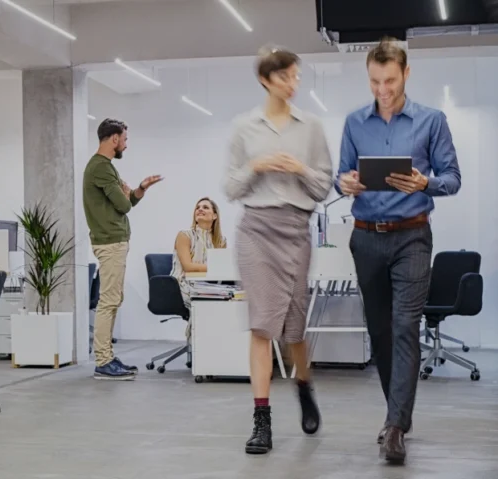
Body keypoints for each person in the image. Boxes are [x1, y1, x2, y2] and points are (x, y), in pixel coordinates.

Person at [336, 38, 460, 464]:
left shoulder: (432, 121)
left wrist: (426, 183)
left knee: (406, 325)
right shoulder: (354, 122)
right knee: (381, 331)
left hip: (412, 236)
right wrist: (345, 183)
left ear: (406, 74)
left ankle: (394, 427)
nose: (382, 89)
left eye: (389, 80)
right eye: (374, 81)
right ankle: (397, 415)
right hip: (366, 236)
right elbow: (341, 174)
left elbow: (452, 178)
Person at [222, 46, 333, 456]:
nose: (293, 84)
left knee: (294, 327)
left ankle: (304, 386)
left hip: (295, 229)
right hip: (256, 229)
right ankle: (261, 419)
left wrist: (299, 169)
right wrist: (257, 166)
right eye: (285, 77)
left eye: (296, 77)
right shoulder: (244, 128)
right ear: (266, 80)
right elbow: (230, 188)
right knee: (261, 325)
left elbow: (323, 187)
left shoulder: (312, 127)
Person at [82, 118, 162, 380]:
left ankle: (107, 356)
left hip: (114, 241)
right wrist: (125, 194)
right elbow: (124, 206)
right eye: (125, 140)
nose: (126, 145)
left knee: (114, 299)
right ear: (114, 139)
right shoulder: (101, 168)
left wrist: (139, 189)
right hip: (110, 242)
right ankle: (103, 362)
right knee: (108, 301)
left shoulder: (105, 168)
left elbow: (127, 200)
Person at [169, 197, 227, 309]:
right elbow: (188, 267)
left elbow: (223, 269)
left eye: (205, 207)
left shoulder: (221, 241)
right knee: (208, 304)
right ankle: (200, 326)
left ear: (215, 216)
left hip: (210, 285)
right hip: (184, 284)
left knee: (232, 299)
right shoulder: (184, 235)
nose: (200, 209)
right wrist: (215, 267)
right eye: (197, 208)